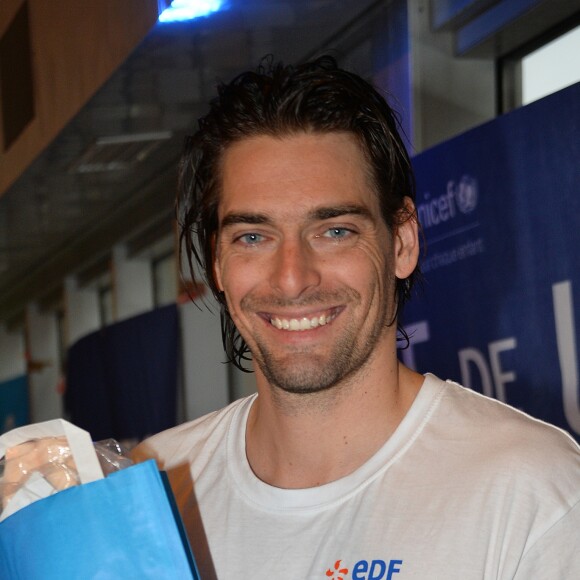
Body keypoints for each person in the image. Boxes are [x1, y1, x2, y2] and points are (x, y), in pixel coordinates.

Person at [133, 56, 580, 579]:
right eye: (253, 237)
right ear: (218, 264)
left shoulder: (534, 493)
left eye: (335, 230)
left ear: (403, 242)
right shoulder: (155, 489)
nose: (292, 278)